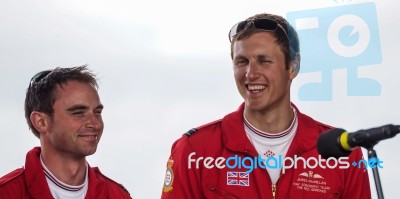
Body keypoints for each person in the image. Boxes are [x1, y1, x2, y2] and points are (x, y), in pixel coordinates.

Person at [161, 13, 371, 198]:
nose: (251, 74)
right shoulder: (194, 151)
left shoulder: (343, 153)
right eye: (241, 61)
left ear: (293, 66)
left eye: (264, 60)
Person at [0, 66, 132, 199]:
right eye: (78, 113)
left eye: (97, 112)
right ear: (41, 122)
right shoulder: (6, 193)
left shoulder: (118, 195)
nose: (95, 124)